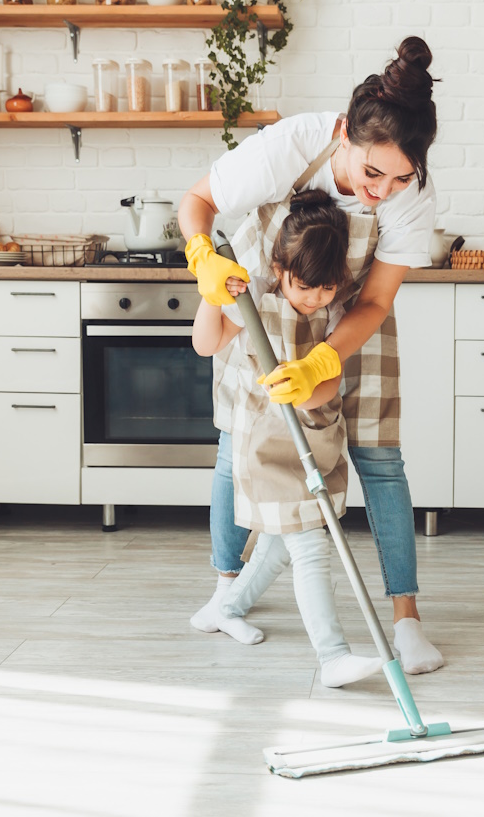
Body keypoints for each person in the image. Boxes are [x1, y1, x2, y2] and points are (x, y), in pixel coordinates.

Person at [182, 37, 445, 675]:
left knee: (381, 461)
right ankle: (228, 590)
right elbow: (199, 202)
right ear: (345, 136)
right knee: (236, 447)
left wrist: (325, 362)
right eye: (371, 173)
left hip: (354, 318)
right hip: (265, 307)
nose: (382, 190)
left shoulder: (411, 197)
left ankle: (406, 621)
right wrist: (204, 261)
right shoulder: (297, 143)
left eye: (401, 176)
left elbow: (376, 299)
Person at [190, 190, 384, 688]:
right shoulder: (254, 303)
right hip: (266, 443)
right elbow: (205, 344)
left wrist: (310, 382)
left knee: (280, 541)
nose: (313, 297)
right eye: (302, 286)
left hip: (315, 437)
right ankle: (333, 656)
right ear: (278, 267)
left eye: (324, 288)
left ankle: (225, 609)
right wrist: (213, 296)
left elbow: (331, 380)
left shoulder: (336, 309)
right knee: (310, 544)